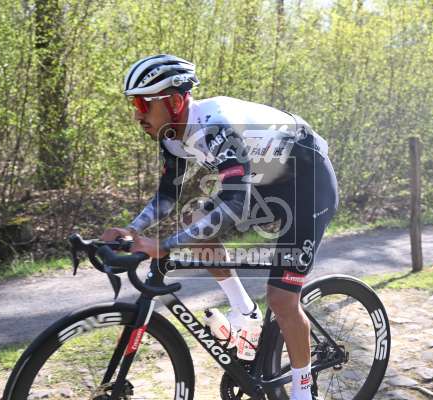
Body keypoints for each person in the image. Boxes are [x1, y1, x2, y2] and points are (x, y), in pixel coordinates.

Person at [102, 54, 338, 400]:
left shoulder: (218, 127)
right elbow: (168, 194)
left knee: (282, 299)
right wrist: (131, 230)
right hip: (266, 184)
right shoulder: (171, 136)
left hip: (309, 185)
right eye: (133, 104)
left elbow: (235, 203)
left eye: (143, 104)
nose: (137, 114)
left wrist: (164, 245)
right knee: (194, 222)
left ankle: (304, 393)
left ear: (175, 101)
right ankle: (245, 313)